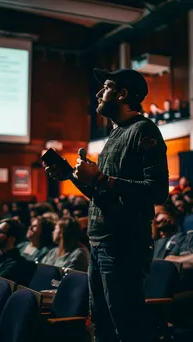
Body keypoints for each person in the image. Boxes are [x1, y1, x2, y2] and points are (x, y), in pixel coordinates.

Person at [45, 68, 169, 342]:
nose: (99, 93)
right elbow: (102, 195)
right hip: (100, 243)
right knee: (100, 322)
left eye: (106, 87)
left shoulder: (143, 130)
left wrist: (100, 177)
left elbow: (158, 192)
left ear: (123, 94)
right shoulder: (114, 135)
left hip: (124, 245)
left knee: (126, 325)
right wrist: (71, 176)